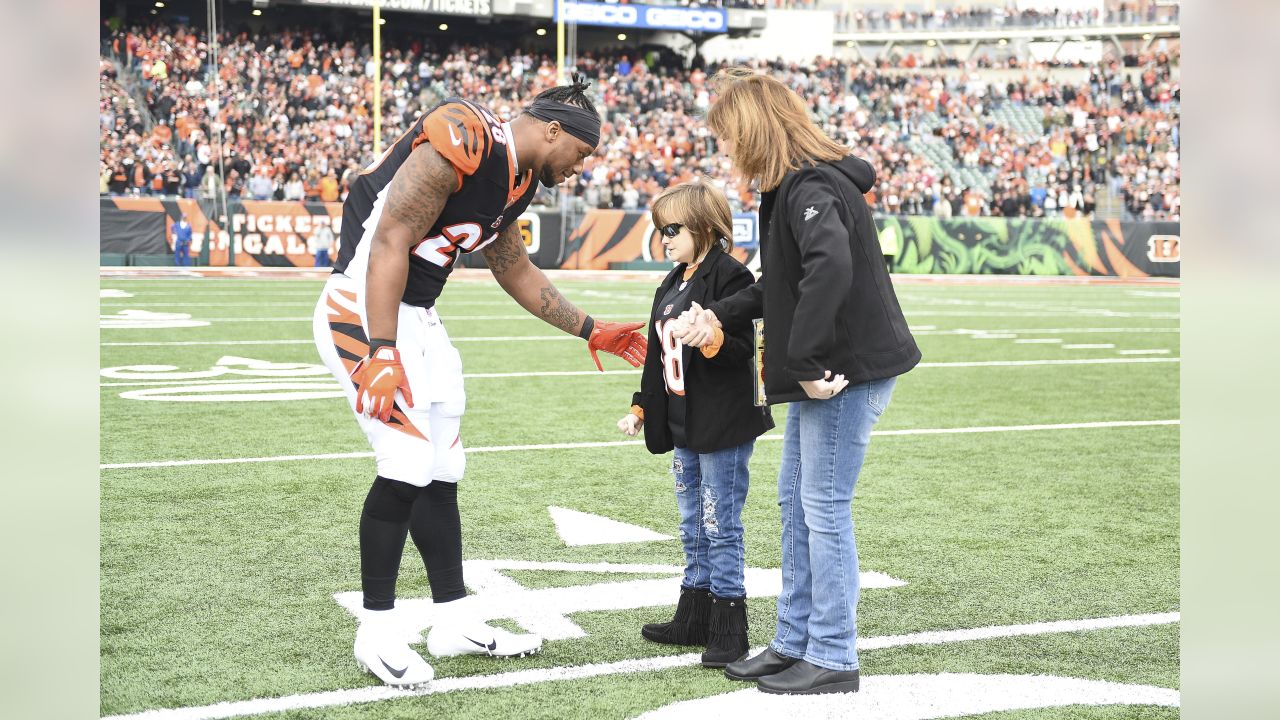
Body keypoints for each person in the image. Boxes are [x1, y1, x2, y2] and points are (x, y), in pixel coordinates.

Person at [310, 76, 647, 689]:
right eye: (582, 152)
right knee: (407, 461)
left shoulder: (516, 183)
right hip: (364, 305)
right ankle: (377, 629)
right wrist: (381, 349)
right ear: (553, 130)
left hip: (416, 314)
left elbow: (512, 266)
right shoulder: (467, 136)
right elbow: (390, 239)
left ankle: (453, 619)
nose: (581, 168)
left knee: (442, 467)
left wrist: (590, 329)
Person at [677, 69, 920, 695]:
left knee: (823, 508)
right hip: (830, 371)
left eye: (728, 134)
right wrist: (718, 312)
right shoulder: (791, 187)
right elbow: (776, 288)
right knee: (796, 503)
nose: (724, 148)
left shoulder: (809, 184)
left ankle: (834, 653)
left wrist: (807, 363)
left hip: (844, 372)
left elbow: (830, 264)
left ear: (754, 128)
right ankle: (793, 641)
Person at [618, 179, 773, 669]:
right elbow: (655, 358)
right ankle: (694, 614)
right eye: (660, 229)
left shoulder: (732, 277)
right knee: (692, 524)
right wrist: (642, 406)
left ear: (703, 225)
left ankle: (730, 628)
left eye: (672, 228)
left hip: (722, 421)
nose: (663, 238)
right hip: (683, 421)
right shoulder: (671, 281)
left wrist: (710, 339)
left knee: (719, 524)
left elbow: (748, 352)